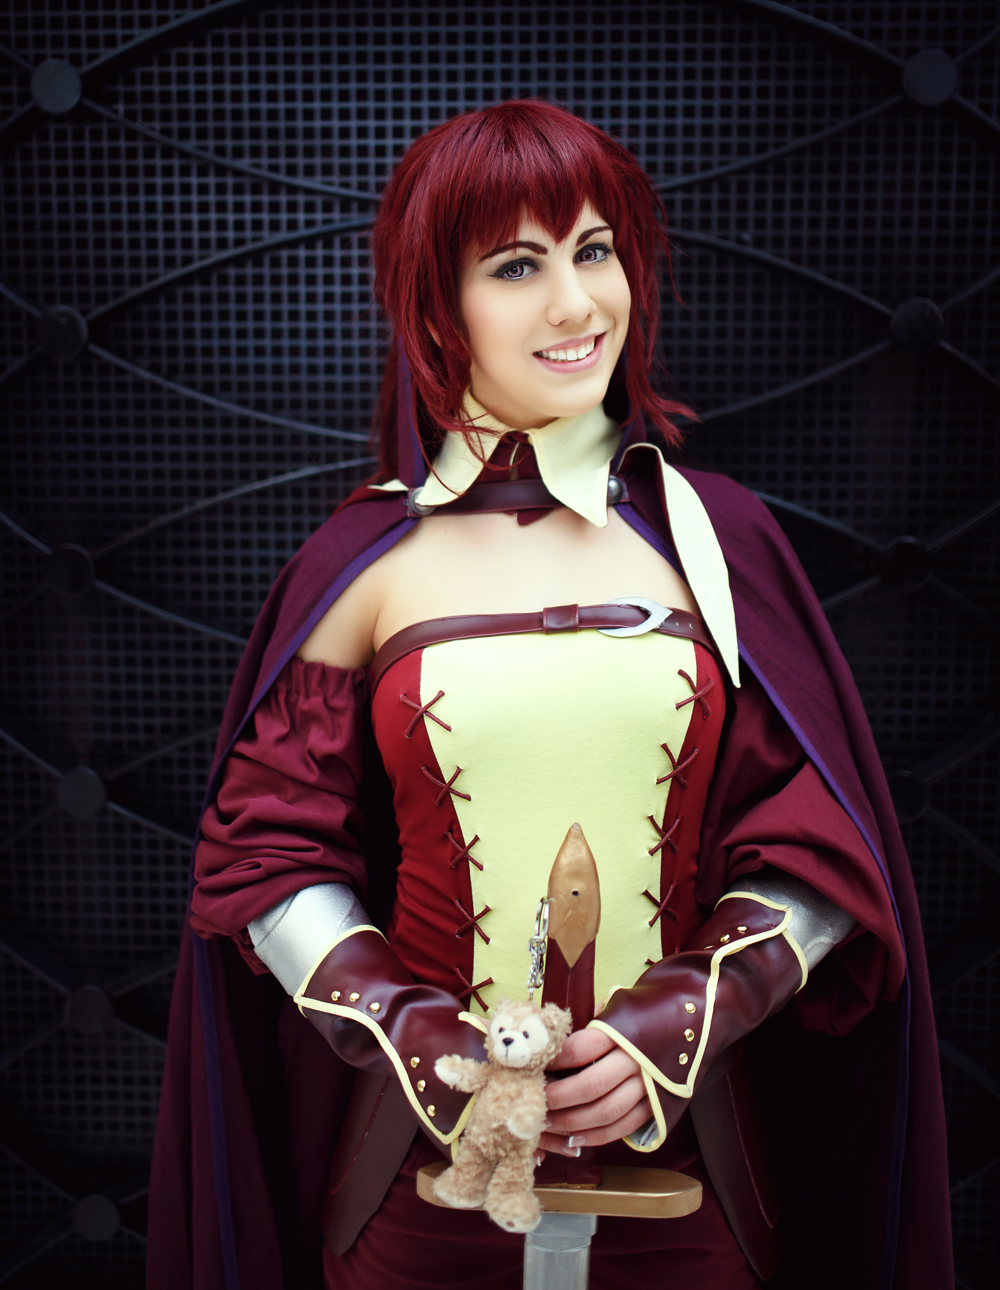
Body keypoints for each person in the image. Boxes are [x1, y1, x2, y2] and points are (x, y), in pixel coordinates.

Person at [148, 101, 952, 1290]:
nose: (576, 305)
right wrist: (425, 1046)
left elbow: (821, 851)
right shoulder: (362, 562)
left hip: (694, 1188)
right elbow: (265, 859)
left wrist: (677, 1023)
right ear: (439, 305)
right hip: (416, 1194)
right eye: (516, 266)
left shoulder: (717, 542)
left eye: (594, 250)